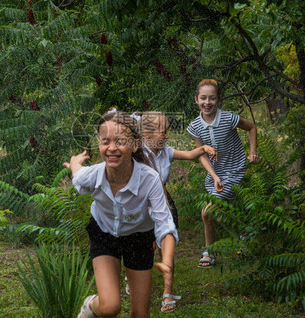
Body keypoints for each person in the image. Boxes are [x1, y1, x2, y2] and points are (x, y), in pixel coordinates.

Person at [64, 109, 178, 318]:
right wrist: (75, 164)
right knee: (110, 307)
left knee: (140, 314)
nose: (112, 148)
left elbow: (164, 224)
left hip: (139, 238)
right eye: (105, 141)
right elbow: (77, 178)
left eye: (120, 141)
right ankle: (89, 307)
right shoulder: (93, 176)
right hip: (104, 235)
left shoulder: (149, 179)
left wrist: (167, 261)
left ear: (135, 145)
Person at [139, 111, 217, 312]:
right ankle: (134, 276)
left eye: (168, 132)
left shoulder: (166, 151)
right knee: (147, 248)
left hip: (162, 203)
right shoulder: (137, 153)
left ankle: (167, 294)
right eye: (162, 132)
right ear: (147, 133)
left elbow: (190, 155)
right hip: (139, 206)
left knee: (167, 246)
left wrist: (204, 148)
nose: (166, 136)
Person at [186, 79, 259, 268]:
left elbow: (251, 127)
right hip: (214, 175)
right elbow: (201, 154)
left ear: (218, 100)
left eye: (212, 98)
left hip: (234, 171)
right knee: (216, 213)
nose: (207, 102)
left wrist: (252, 152)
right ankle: (244, 236)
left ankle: (209, 252)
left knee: (207, 212)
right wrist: (214, 175)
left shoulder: (228, 118)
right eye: (203, 98)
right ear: (196, 99)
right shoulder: (195, 126)